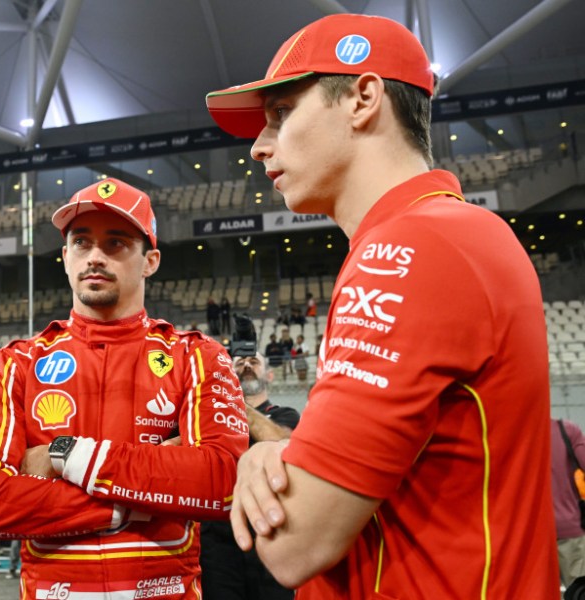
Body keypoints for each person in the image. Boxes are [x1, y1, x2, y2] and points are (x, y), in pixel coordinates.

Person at [206, 13, 557, 597]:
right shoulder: (450, 233)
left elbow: (294, 544)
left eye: (282, 114)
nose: (259, 146)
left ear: (363, 98)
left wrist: (252, 464)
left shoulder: (408, 248)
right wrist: (280, 450)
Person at [0, 177, 248, 598]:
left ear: (150, 261)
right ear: (64, 256)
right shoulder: (16, 363)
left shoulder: (197, 356)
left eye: (115, 243)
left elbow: (223, 484)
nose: (95, 256)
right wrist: (149, 493)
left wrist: (67, 455)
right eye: (81, 242)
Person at [200, 352, 298, 600]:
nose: (246, 366)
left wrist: (234, 401)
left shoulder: (286, 415)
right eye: (239, 363)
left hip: (271, 531)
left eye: (254, 362)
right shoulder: (209, 417)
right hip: (218, 538)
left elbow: (284, 442)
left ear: (270, 374)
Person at [553, 418, 585, 587]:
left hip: (527, 534)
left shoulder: (510, 433)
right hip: (568, 529)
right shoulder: (565, 429)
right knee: (579, 590)